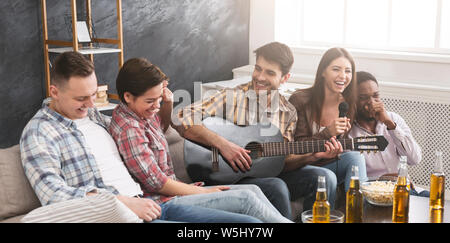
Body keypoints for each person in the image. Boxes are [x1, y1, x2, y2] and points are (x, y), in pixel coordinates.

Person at [20, 51, 264, 223]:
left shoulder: (95, 117)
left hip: (152, 204)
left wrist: (164, 104)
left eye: (94, 94)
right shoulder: (39, 133)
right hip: (122, 213)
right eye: (81, 98)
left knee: (248, 215)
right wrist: (122, 203)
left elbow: (147, 132)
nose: (91, 104)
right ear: (54, 91)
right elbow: (53, 196)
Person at [109, 57, 292, 223]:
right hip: (163, 201)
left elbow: (159, 130)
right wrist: (204, 191)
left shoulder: (137, 113)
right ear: (128, 96)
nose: (156, 106)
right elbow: (156, 182)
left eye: (159, 99)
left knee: (253, 190)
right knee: (247, 199)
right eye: (151, 101)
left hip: (177, 192)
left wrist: (168, 103)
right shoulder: (130, 129)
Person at [173, 42, 296, 219]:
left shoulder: (289, 112)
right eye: (258, 68)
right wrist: (223, 145)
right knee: (277, 186)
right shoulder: (231, 96)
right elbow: (181, 116)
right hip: (222, 171)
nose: (260, 77)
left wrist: (313, 156)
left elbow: (282, 159)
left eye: (270, 72)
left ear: (285, 78)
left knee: (321, 176)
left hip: (259, 172)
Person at [287, 47, 368, 210]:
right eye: (336, 69)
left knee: (355, 158)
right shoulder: (300, 100)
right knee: (328, 176)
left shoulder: (347, 105)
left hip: (325, 163)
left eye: (348, 71)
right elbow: (293, 148)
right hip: (299, 167)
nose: (343, 76)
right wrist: (327, 133)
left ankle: (356, 216)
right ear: (323, 71)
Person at [348, 71, 424, 195]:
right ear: (353, 100)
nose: (372, 102)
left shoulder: (394, 119)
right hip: (373, 193)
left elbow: (415, 159)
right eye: (363, 98)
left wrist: (390, 124)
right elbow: (354, 180)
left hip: (403, 189)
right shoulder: (348, 132)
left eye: (375, 96)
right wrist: (383, 180)